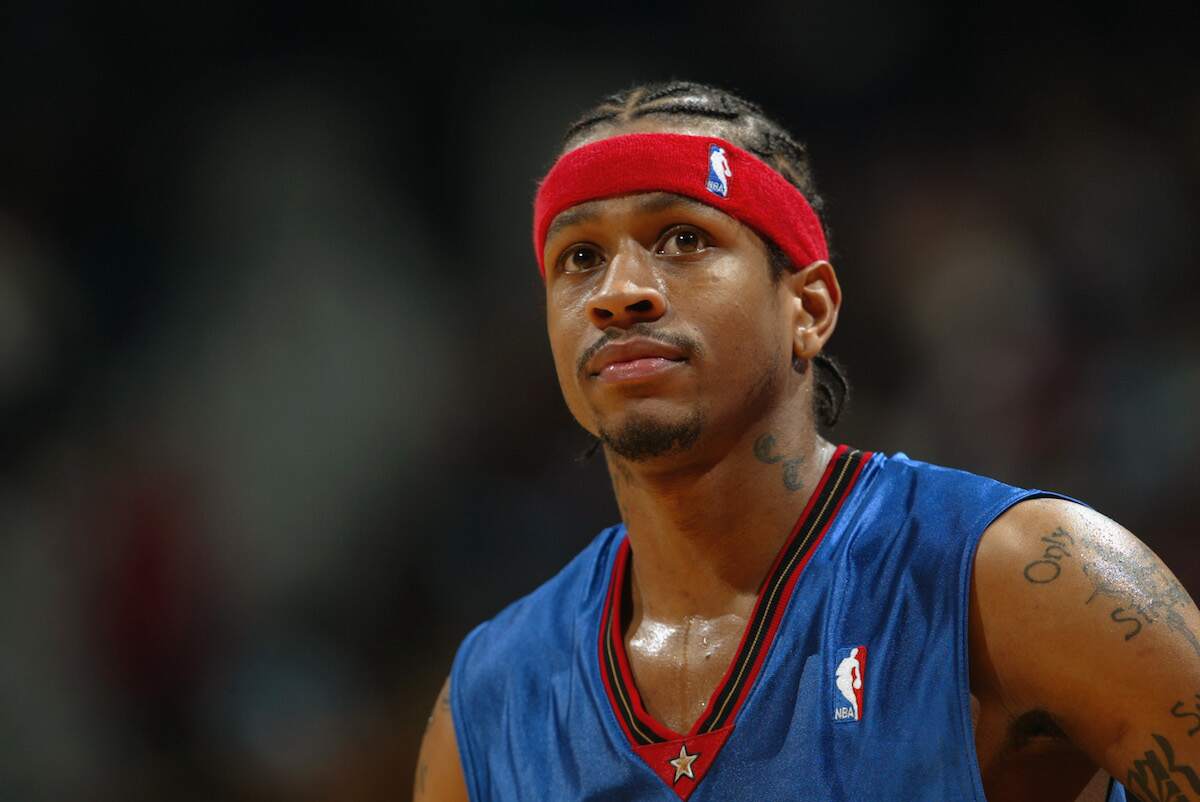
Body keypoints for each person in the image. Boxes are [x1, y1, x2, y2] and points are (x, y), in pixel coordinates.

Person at [415, 81, 1200, 802]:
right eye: (579, 258)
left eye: (683, 239)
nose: (620, 293)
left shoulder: (1024, 580)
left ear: (810, 308)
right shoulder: (490, 696)